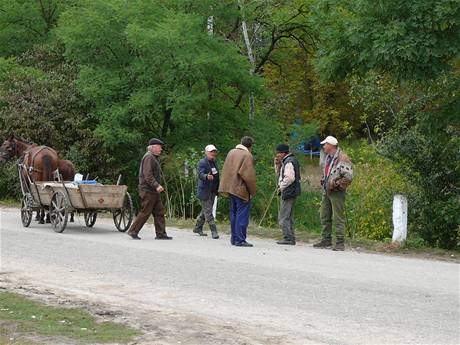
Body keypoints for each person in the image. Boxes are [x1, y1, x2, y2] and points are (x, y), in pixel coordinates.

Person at [127, 138, 172, 240]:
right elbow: (147, 175)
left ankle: (161, 234)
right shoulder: (149, 157)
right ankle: (133, 231)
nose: (161, 149)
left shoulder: (153, 157)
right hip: (148, 190)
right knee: (146, 211)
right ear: (153, 147)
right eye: (159, 147)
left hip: (153, 191)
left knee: (159, 211)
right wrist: (157, 185)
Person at [313, 136, 353, 251]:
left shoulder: (343, 158)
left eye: (325, 144)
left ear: (330, 145)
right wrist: (324, 181)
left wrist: (336, 185)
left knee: (338, 217)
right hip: (327, 190)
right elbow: (327, 172)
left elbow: (348, 177)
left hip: (337, 192)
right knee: (324, 215)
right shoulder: (328, 157)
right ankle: (326, 239)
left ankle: (340, 242)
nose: (323, 146)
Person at [219, 136, 256, 247]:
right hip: (241, 189)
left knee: (233, 213)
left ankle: (234, 238)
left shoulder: (231, 152)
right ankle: (240, 240)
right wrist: (252, 191)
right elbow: (248, 176)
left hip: (230, 188)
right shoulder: (247, 155)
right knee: (242, 215)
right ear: (250, 146)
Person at [274, 144, 301, 245]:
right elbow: (280, 174)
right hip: (292, 191)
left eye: (278, 153)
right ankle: (291, 237)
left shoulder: (289, 162)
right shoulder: (289, 160)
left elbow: (289, 178)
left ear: (283, 153)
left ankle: (288, 238)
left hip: (288, 191)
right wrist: (277, 164)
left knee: (284, 216)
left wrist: (281, 186)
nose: (277, 155)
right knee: (288, 216)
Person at [193, 144, 220, 239]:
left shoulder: (214, 162)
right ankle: (214, 231)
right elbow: (200, 174)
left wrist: (218, 189)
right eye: (211, 152)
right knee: (208, 211)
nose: (213, 154)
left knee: (206, 211)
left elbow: (217, 176)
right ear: (206, 152)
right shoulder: (202, 162)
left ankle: (197, 228)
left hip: (213, 191)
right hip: (205, 191)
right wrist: (206, 176)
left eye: (214, 152)